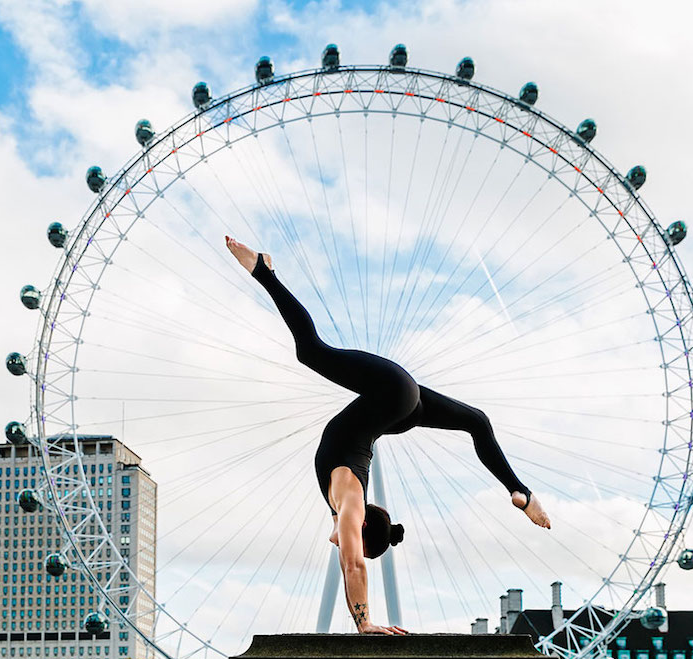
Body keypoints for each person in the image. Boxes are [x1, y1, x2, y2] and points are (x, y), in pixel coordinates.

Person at [226, 237, 551, 635]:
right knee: (310, 351)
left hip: (399, 411)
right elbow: (353, 564)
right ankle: (264, 270)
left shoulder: (347, 497)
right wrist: (365, 624)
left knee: (477, 421)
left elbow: (351, 558)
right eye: (352, 540)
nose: (339, 544)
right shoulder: (348, 500)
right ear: (361, 529)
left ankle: (521, 492)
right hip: (391, 392)